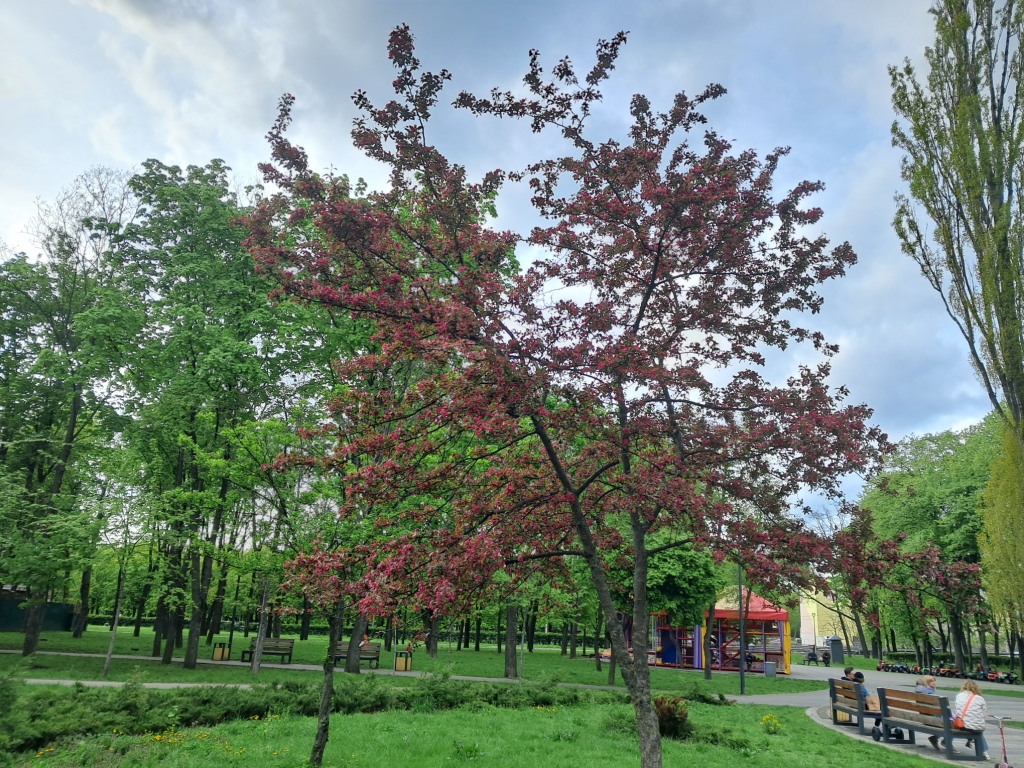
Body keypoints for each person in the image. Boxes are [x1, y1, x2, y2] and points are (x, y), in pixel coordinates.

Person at [932, 679, 988, 758]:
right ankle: (983, 752)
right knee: (977, 729)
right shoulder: (980, 698)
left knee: (958, 722)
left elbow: (959, 712)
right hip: (977, 727)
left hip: (962, 725)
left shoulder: (959, 696)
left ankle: (970, 742)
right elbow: (984, 715)